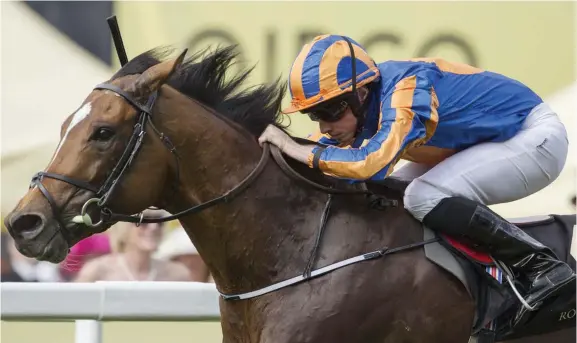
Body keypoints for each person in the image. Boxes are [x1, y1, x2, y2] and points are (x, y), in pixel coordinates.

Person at [258, 34, 575, 326]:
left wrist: (292, 147)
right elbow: (322, 155)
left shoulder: (406, 90)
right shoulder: (362, 107)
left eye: (330, 110)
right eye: (315, 115)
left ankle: (541, 265)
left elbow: (369, 163)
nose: (325, 125)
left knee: (420, 196)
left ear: (362, 93)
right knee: (394, 194)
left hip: (535, 138)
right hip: (485, 143)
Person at [74, 209, 192, 282]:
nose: (154, 227)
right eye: (144, 220)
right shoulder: (96, 271)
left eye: (159, 220)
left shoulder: (178, 275)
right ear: (124, 227)